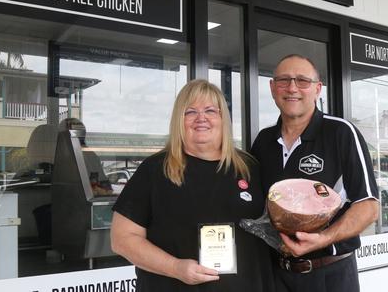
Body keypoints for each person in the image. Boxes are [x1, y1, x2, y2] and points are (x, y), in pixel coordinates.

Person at [111, 79, 274, 292]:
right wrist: (175, 267)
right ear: (179, 120)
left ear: (223, 118)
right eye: (190, 112)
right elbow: (122, 239)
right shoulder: (155, 170)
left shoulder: (249, 167)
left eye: (210, 111)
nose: (201, 118)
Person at [251, 54, 379, 292]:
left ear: (318, 89)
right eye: (283, 80)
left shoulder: (341, 133)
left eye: (302, 81)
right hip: (275, 275)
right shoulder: (263, 142)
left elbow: (369, 207)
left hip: (329, 275)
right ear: (272, 88)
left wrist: (322, 239)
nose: (292, 88)